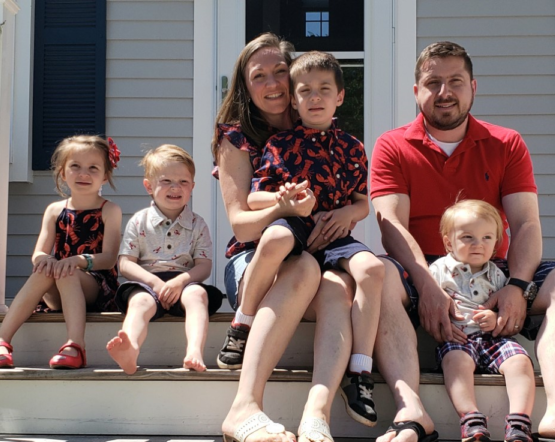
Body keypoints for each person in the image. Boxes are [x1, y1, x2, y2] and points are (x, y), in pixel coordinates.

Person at [369, 40, 555, 442]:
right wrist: (426, 284)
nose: (444, 92)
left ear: (474, 86)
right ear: (416, 91)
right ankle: (412, 413)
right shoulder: (393, 144)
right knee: (378, 272)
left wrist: (517, 286)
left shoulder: (505, 142)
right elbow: (391, 227)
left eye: (455, 81)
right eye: (432, 82)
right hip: (419, 269)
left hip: (493, 268)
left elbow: (525, 223)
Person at [214, 34, 357, 442]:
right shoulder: (236, 138)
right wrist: (283, 209)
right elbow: (242, 224)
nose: (273, 83)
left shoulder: (317, 120)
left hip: (316, 252)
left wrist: (349, 211)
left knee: (334, 285)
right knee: (305, 267)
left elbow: (349, 194)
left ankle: (317, 414)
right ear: (245, 85)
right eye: (259, 76)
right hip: (255, 258)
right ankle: (244, 407)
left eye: (280, 71)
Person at [245, 51, 383, 426]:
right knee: (274, 239)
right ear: (294, 99)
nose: (315, 97)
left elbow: (362, 203)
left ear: (341, 95)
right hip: (296, 229)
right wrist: (282, 200)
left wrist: (347, 214)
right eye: (305, 91)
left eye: (325, 89)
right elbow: (253, 197)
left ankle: (360, 372)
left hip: (336, 234)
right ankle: (242, 322)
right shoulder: (280, 145)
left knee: (373, 269)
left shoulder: (353, 147)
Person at [0, 135, 122, 370]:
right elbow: (38, 253)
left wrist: (78, 261)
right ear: (62, 171)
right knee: (44, 270)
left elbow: (109, 258)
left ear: (105, 175)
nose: (83, 174)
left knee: (65, 271)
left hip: (94, 284)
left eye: (93, 168)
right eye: (75, 166)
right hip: (57, 283)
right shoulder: (54, 210)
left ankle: (75, 345)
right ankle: (1, 341)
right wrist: (46, 260)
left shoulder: (109, 210)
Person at [106, 144, 223, 374]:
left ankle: (194, 351)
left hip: (184, 282)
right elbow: (126, 263)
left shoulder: (197, 224)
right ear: (149, 186)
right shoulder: (139, 222)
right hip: (147, 283)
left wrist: (180, 282)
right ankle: (130, 349)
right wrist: (155, 283)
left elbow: (204, 266)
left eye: (183, 182)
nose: (175, 188)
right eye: (166, 181)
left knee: (198, 294)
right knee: (139, 303)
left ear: (192, 187)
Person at [429, 199, 534, 442]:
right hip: (458, 338)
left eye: (487, 238)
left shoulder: (498, 274)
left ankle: (519, 422)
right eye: (468, 237)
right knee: (455, 362)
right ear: (448, 242)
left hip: (493, 340)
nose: (478, 244)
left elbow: (503, 307)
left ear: (496, 242)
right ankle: (471, 419)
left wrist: (495, 318)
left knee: (519, 360)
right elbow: (430, 305)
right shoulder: (437, 270)